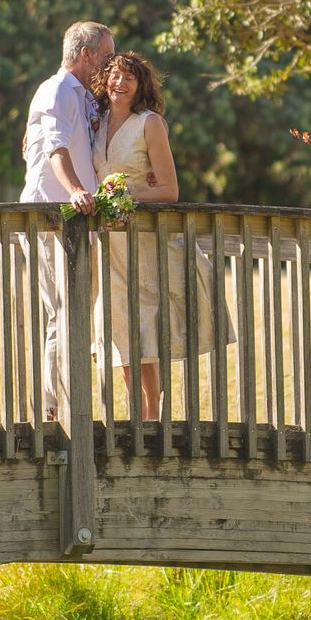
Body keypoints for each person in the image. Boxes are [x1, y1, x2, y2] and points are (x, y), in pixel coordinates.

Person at [89, 50, 224, 422]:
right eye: (115, 76)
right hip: (109, 244)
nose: (120, 83)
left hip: (143, 242)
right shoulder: (96, 124)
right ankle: (137, 413)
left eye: (129, 78)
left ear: (140, 86)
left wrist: (126, 199)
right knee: (118, 327)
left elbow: (168, 189)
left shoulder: (149, 123)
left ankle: (151, 416)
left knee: (144, 328)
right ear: (105, 80)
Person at [19, 20, 114, 421]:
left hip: (77, 222)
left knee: (76, 310)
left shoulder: (86, 97)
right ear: (85, 54)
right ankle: (54, 409)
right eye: (106, 57)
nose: (110, 66)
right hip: (51, 217)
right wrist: (75, 190)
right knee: (63, 312)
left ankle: (72, 401)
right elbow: (56, 148)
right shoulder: (56, 89)